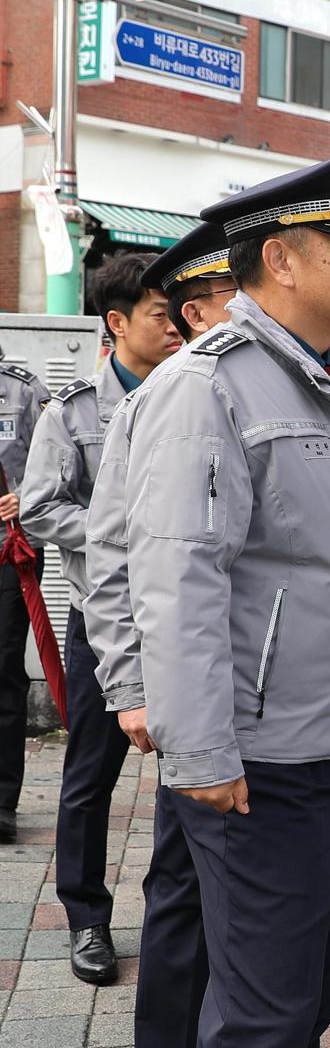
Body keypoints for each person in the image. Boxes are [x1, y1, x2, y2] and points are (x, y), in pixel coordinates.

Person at [94, 151, 330, 1045]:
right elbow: (176, 578)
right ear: (280, 260)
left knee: (301, 1001)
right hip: (265, 766)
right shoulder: (208, 387)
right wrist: (200, 753)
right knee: (265, 1016)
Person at [80, 225, 233, 1044]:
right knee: (179, 881)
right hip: (181, 690)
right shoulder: (161, 403)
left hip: (268, 703)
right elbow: (110, 555)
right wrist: (131, 686)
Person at [20, 252, 182, 984]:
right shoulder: (73, 410)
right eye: (159, 314)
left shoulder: (194, 395)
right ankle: (86, 918)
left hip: (182, 622)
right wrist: (123, 528)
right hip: (104, 624)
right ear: (116, 323)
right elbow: (41, 507)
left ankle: (178, 912)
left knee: (191, 773)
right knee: (90, 779)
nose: (176, 325)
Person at [0, 349, 48, 848]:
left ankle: (1, 805)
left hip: (7, 553)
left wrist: (27, 497)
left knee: (4, 676)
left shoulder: (23, 390)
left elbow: (56, 466)